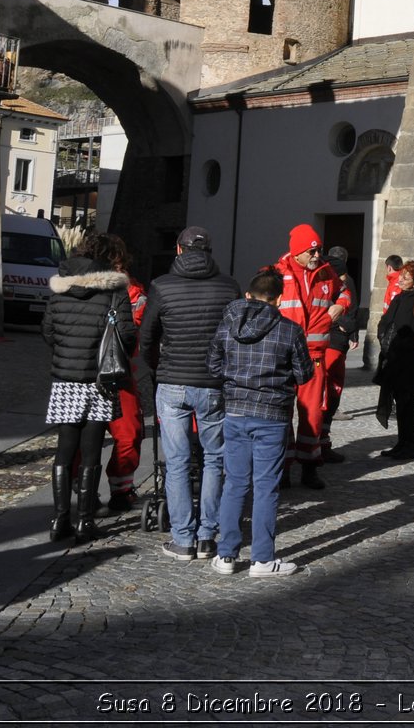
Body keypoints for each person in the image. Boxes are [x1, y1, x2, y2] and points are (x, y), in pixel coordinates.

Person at [139, 225, 240, 562]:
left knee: (178, 461)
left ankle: (182, 539)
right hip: (213, 384)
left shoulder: (161, 286)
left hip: (172, 383)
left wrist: (156, 368)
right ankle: (207, 536)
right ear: (208, 252)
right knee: (214, 458)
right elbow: (236, 337)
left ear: (178, 250)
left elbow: (148, 337)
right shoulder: (229, 287)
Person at [207, 271, 314, 577]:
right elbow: (305, 374)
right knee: (266, 487)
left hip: (236, 411)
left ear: (249, 296)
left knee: (235, 483)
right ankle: (262, 560)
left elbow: (213, 365)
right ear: (279, 298)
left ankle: (226, 555)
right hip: (272, 415)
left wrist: (235, 379)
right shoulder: (290, 330)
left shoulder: (227, 326)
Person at [43, 233, 135, 543]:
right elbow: (127, 337)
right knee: (92, 450)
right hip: (99, 380)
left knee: (65, 450)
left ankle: (59, 520)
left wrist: (68, 351)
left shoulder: (59, 289)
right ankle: (85, 520)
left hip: (66, 379)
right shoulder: (114, 291)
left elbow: (48, 332)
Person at [272, 224, 339, 489]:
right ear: (297, 252)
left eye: (318, 250)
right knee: (282, 412)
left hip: (314, 357)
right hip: (283, 355)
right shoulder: (276, 274)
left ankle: (310, 467)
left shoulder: (326, 272)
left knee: (312, 413)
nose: (316, 255)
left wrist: (340, 306)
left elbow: (344, 292)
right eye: (311, 251)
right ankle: (285, 468)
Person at [102, 235, 148, 513]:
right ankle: (78, 490)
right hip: (87, 374)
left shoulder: (135, 293)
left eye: (120, 266)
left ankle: (121, 490)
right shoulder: (86, 288)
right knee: (83, 439)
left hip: (121, 374)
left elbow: (134, 333)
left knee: (129, 434)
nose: (118, 271)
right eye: (113, 265)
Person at [373, 259, 414, 460]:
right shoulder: (399, 298)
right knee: (400, 403)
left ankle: (411, 445)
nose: (400, 279)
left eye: (405, 277)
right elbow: (385, 321)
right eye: (401, 275)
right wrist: (384, 337)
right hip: (394, 361)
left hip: (410, 363)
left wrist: (404, 346)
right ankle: (402, 443)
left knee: (409, 404)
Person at [322, 245, 359, 434]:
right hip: (330, 339)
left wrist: (351, 331)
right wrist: (349, 328)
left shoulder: (345, 282)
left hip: (337, 338)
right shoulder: (324, 284)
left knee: (335, 381)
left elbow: (351, 306)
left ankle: (323, 436)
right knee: (328, 381)